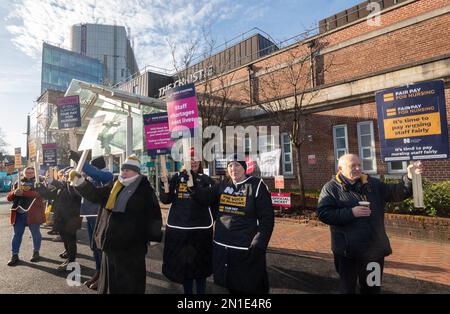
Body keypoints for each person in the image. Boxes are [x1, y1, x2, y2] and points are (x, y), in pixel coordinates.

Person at [317, 154, 424, 294]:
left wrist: (409, 177)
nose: (357, 169)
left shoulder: (372, 184)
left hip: (374, 250)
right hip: (346, 251)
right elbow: (324, 213)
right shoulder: (330, 188)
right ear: (340, 168)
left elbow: (396, 192)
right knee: (347, 289)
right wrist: (351, 213)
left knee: (372, 289)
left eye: (359, 165)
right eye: (352, 166)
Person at [69, 155, 163, 294]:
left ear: (137, 172)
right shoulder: (115, 185)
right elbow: (95, 195)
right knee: (110, 283)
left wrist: (153, 238)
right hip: (111, 244)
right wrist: (81, 183)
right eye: (123, 169)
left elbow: (154, 215)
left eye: (128, 170)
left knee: (128, 285)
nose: (124, 172)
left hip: (131, 248)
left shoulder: (145, 189)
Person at [190, 153, 274, 294]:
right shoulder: (223, 185)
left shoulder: (257, 185)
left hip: (245, 249)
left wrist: (259, 244)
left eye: (237, 165)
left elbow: (267, 219)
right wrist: (191, 185)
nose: (233, 168)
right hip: (223, 247)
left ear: (244, 167)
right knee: (229, 286)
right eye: (230, 165)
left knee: (248, 287)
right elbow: (204, 197)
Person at [160, 149, 215, 294]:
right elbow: (166, 199)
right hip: (180, 231)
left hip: (201, 231)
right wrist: (164, 185)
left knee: (200, 267)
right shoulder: (177, 177)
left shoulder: (207, 180)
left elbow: (211, 201)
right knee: (185, 268)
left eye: (196, 158)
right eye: (191, 159)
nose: (194, 161)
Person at [69, 151, 113, 290]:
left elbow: (96, 174)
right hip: (88, 214)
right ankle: (98, 271)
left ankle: (104, 275)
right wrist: (74, 182)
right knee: (94, 247)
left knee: (100, 247)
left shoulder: (107, 175)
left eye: (92, 167)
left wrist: (80, 161)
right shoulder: (90, 176)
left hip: (98, 215)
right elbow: (79, 193)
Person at [36, 167, 82, 271]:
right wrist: (40, 187)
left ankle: (71, 261)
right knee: (65, 239)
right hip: (60, 217)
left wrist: (57, 182)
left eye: (68, 176)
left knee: (70, 240)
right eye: (65, 175)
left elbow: (74, 194)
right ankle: (69, 257)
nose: (65, 177)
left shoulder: (76, 187)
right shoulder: (62, 187)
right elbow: (49, 195)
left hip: (71, 218)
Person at [6, 167, 46, 266]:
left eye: (31, 172)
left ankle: (36, 252)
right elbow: (9, 197)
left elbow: (40, 195)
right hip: (18, 212)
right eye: (27, 172)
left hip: (33, 212)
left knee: (35, 233)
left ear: (34, 173)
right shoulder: (18, 182)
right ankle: (14, 255)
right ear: (24, 173)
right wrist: (14, 193)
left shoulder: (38, 182)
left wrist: (24, 193)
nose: (29, 174)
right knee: (16, 234)